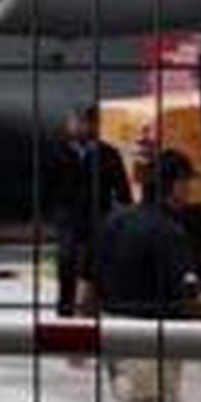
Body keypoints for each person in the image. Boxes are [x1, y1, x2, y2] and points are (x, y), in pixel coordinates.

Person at [76, 149, 201, 402]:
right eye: (188, 183)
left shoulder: (111, 222)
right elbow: (190, 296)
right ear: (175, 185)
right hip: (153, 342)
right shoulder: (168, 232)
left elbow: (87, 286)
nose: (191, 191)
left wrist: (83, 331)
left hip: (113, 337)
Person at [46, 104, 133, 316]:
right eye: (73, 121)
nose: (74, 126)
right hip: (68, 217)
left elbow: (122, 190)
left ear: (93, 125)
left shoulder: (108, 154)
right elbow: (46, 185)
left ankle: (91, 307)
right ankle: (65, 307)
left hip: (98, 217)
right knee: (66, 260)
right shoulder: (57, 152)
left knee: (94, 265)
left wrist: (122, 217)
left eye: (81, 122)